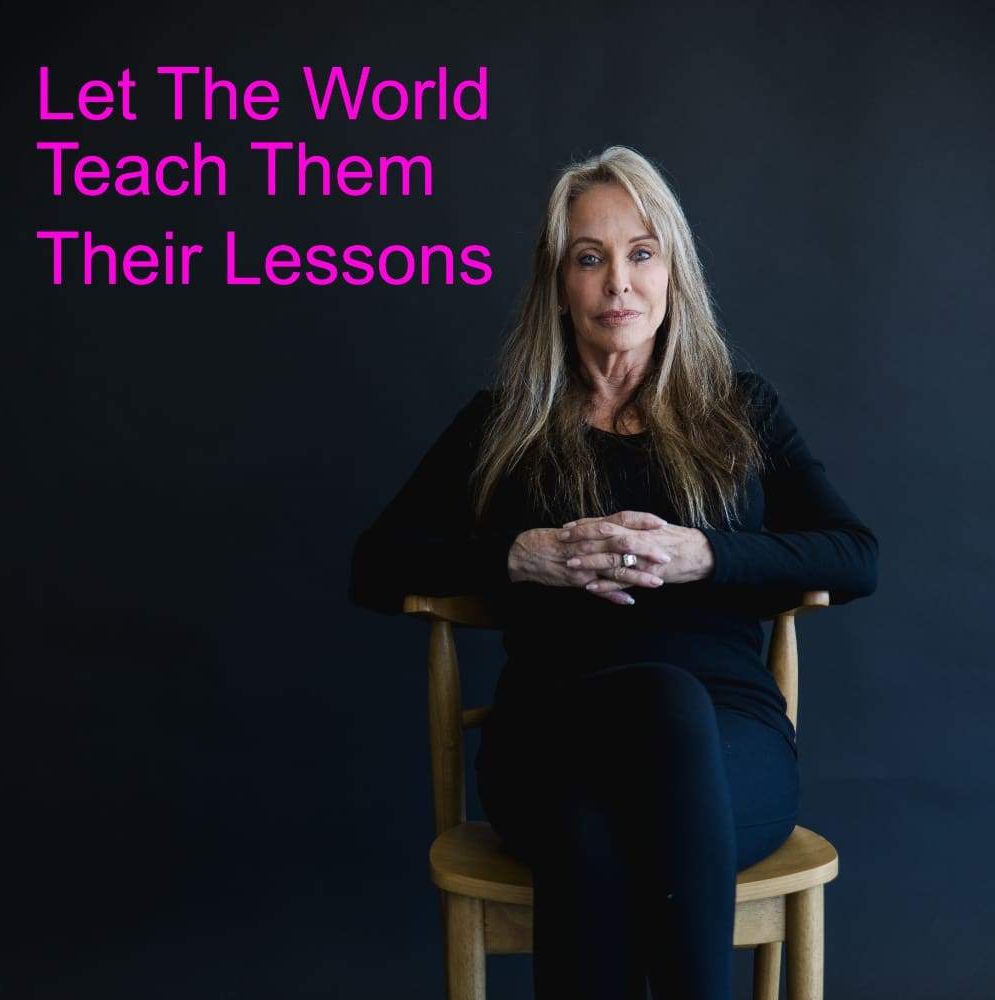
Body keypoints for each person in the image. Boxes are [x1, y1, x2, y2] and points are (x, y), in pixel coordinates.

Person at [349, 145, 877, 1000]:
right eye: (588, 259)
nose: (617, 284)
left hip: (725, 743)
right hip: (553, 733)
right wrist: (523, 555)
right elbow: (375, 565)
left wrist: (702, 554)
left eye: (641, 254)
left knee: (607, 806)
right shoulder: (505, 423)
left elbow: (855, 555)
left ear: (674, 271)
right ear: (558, 284)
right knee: (618, 752)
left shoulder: (740, 411)